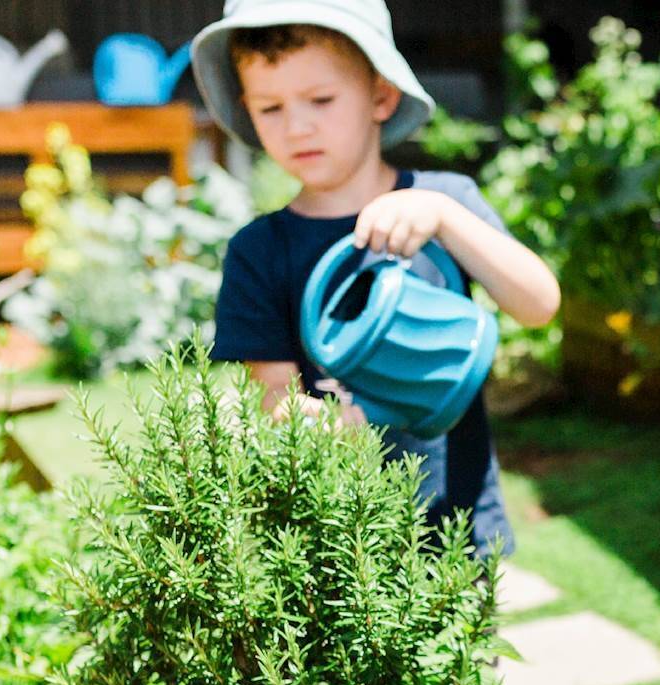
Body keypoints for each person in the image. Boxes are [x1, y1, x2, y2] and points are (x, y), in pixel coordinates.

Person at [191, 0, 560, 555]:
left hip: (458, 531)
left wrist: (443, 217)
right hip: (338, 549)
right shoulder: (259, 252)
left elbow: (539, 303)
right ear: (246, 109)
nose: (297, 126)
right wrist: (328, 422)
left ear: (381, 96)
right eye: (270, 108)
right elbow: (273, 399)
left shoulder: (446, 203)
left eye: (321, 99)